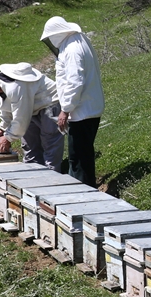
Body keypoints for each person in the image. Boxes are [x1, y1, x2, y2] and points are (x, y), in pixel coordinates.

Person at [41, 16, 104, 186]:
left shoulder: (72, 49)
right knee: (83, 156)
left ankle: (84, 194)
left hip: (82, 111)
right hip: (88, 108)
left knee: (79, 160)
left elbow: (74, 81)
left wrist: (65, 109)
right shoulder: (79, 40)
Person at [0, 64, 64, 170]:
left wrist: (8, 138)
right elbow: (6, 109)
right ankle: (33, 173)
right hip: (31, 108)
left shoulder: (15, 87)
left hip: (49, 103)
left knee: (49, 142)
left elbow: (21, 118)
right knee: (29, 144)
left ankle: (52, 175)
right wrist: (3, 128)